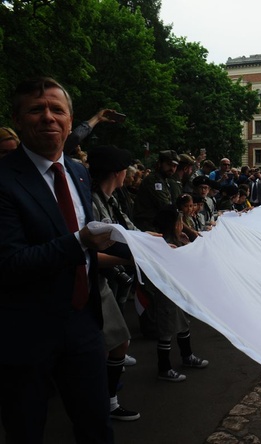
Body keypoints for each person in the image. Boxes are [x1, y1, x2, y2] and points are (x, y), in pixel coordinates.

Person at [0, 77, 114, 442]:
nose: (48, 117)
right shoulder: (4, 180)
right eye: (36, 109)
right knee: (27, 429)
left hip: (82, 322)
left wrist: (139, 250)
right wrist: (80, 240)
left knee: (96, 426)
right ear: (18, 119)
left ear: (70, 119)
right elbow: (10, 264)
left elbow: (85, 249)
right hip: (25, 333)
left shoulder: (78, 172)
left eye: (57, 109)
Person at [87, 145, 140, 422]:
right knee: (116, 342)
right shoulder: (91, 202)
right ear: (119, 173)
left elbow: (130, 232)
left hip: (101, 279)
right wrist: (129, 261)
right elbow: (89, 253)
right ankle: (106, 403)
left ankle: (105, 399)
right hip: (88, 281)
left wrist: (155, 243)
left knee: (116, 342)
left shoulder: (110, 199)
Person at [141, 206, 209, 383]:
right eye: (180, 222)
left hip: (178, 290)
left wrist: (184, 244)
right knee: (166, 330)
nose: (182, 226)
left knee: (184, 323)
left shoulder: (175, 239)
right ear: (173, 225)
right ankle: (164, 368)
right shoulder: (161, 242)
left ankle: (187, 356)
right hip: (166, 292)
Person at [133, 149, 180, 231]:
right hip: (147, 226)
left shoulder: (164, 180)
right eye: (169, 164)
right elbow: (165, 206)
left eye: (174, 166)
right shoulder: (154, 180)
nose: (172, 168)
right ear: (160, 163)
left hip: (154, 225)